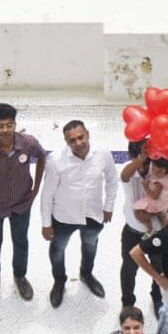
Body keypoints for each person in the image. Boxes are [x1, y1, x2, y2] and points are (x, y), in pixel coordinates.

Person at [0, 103, 46, 303]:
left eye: (9, 125)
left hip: (21, 203)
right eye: (0, 126)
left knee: (21, 241)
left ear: (15, 124)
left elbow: (42, 157)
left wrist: (36, 187)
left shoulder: (28, 144)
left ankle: (20, 276)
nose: (5, 130)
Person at [38, 120, 119, 308]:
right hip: (63, 217)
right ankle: (59, 281)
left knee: (90, 246)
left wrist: (108, 207)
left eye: (80, 137)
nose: (78, 143)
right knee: (58, 250)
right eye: (72, 140)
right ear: (66, 141)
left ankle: (86, 274)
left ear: (88, 134)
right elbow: (47, 194)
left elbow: (112, 180)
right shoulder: (55, 160)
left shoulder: (103, 154)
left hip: (93, 215)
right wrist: (45, 223)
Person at [119, 141, 164, 308]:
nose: (146, 167)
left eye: (148, 161)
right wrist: (141, 159)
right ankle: (128, 303)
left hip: (158, 232)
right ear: (133, 157)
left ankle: (157, 297)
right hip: (132, 231)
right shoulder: (129, 169)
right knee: (129, 269)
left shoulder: (161, 169)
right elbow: (124, 176)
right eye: (142, 161)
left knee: (159, 267)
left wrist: (154, 213)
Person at [132, 159, 168, 236]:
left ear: (167, 170)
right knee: (162, 217)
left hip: (158, 200)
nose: (155, 173)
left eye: (159, 171)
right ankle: (167, 231)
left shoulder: (160, 182)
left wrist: (146, 187)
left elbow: (155, 196)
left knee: (138, 212)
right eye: (153, 170)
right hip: (164, 200)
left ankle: (150, 230)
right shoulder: (164, 176)